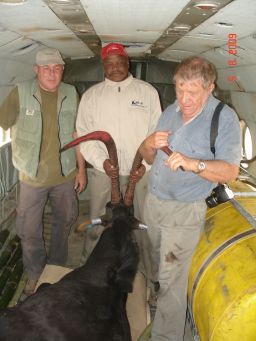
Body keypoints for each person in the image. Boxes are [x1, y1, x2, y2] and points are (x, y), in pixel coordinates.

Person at [139, 56, 241, 341]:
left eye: (192, 92)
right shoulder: (171, 110)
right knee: (161, 270)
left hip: (184, 211)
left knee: (172, 284)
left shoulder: (224, 117)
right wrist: (148, 143)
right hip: (154, 203)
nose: (184, 99)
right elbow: (148, 155)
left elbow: (230, 171)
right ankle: (168, 311)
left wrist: (194, 164)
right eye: (179, 89)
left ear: (210, 88)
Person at [76, 42, 162, 339]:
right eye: (109, 63)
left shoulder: (147, 93)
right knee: (99, 224)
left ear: (127, 62)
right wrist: (101, 161)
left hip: (141, 172)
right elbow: (84, 137)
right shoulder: (91, 96)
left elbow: (156, 134)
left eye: (119, 61)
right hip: (104, 173)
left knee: (143, 226)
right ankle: (90, 275)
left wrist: (147, 167)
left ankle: (151, 282)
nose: (115, 67)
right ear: (103, 65)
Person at [0, 48, 87, 295]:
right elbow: (2, 122)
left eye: (57, 68)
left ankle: (56, 267)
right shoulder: (20, 93)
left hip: (65, 174)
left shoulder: (71, 93)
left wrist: (81, 170)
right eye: (46, 68)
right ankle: (36, 273)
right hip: (31, 177)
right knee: (28, 229)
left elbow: (78, 136)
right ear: (36, 70)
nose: (52, 73)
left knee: (65, 221)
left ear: (63, 70)